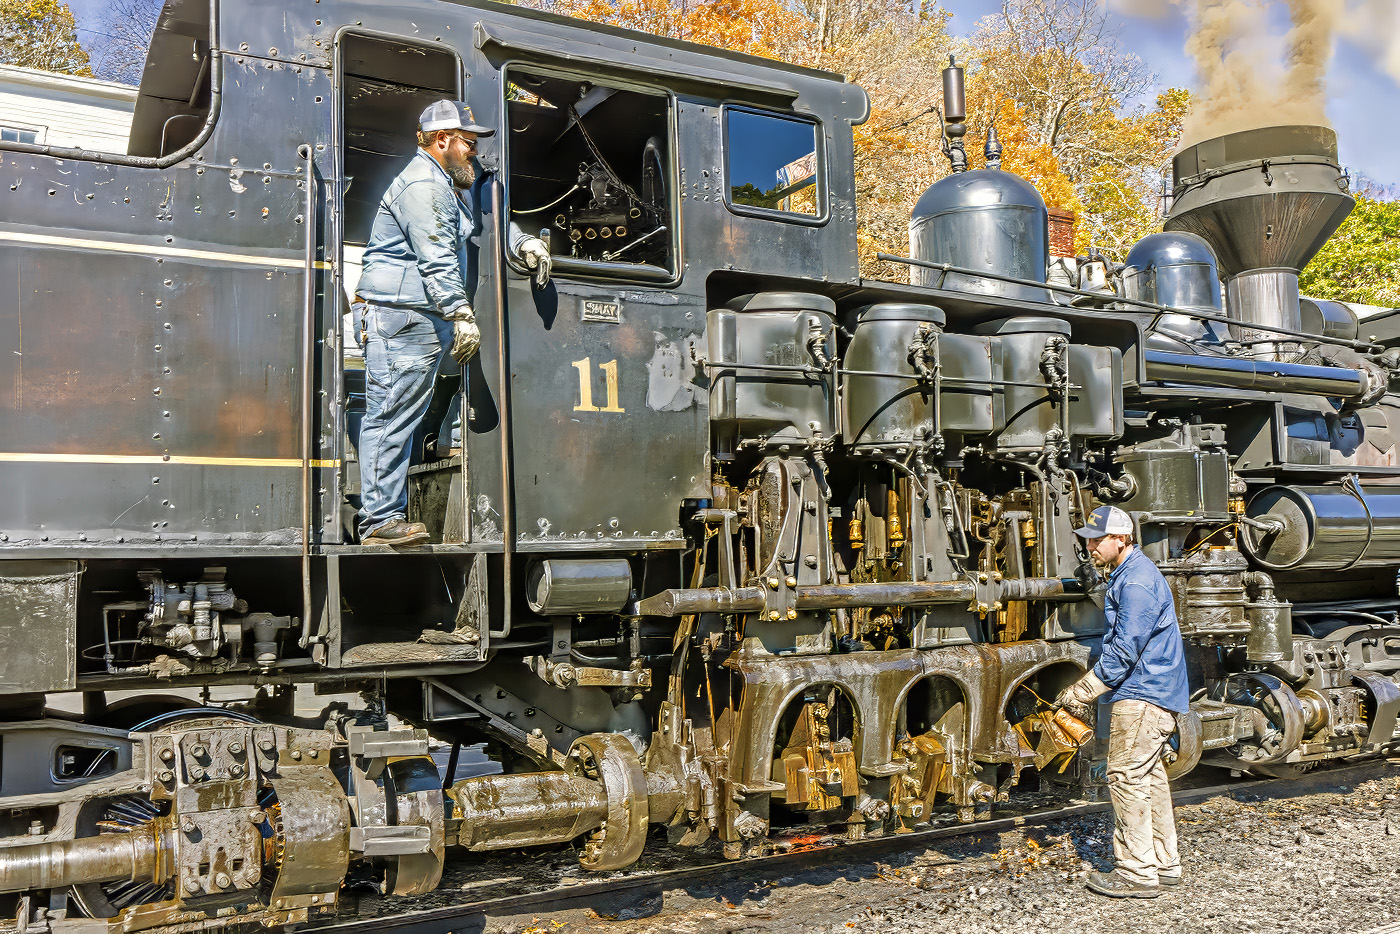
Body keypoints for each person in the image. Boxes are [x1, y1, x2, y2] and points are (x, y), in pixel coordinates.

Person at [354, 100, 551, 546]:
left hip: (421, 315)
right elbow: (437, 256)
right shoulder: (423, 185)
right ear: (442, 140)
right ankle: (379, 520)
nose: (474, 153)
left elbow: (485, 221)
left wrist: (522, 243)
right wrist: (460, 313)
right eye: (469, 142)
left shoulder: (448, 183)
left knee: (433, 399)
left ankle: (443, 456)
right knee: (390, 415)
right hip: (404, 315)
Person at [1055, 504, 1190, 898]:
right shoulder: (1129, 574)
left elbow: (1124, 650)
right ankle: (1165, 866)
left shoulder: (1135, 582)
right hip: (1153, 690)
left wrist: (1083, 690)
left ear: (1122, 539)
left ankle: (1135, 872)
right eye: (1088, 539)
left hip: (1144, 693)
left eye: (1098, 539)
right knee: (1150, 778)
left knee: (1125, 777)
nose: (1091, 546)